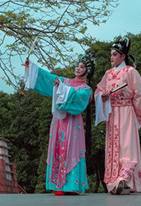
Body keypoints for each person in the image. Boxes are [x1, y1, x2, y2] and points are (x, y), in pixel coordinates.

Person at [23, 51, 95, 195]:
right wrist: (31, 67)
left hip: (73, 123)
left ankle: (72, 185)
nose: (78, 68)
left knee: (72, 150)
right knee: (57, 147)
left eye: (82, 67)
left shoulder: (86, 90)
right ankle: (59, 186)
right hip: (59, 122)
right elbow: (48, 78)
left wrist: (61, 88)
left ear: (88, 71)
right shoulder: (65, 81)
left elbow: (79, 100)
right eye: (77, 66)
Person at [95, 37, 141, 195]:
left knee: (126, 146)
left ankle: (126, 180)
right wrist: (102, 96)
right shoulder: (108, 74)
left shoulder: (131, 72)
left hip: (126, 112)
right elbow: (98, 91)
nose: (111, 57)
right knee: (114, 147)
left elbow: (140, 94)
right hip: (112, 113)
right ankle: (115, 181)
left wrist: (138, 116)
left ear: (123, 56)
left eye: (115, 54)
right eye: (111, 54)